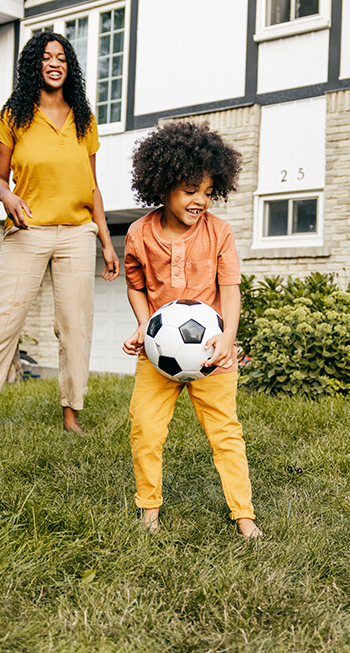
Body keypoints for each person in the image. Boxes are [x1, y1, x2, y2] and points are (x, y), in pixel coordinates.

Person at [0, 32, 119, 451]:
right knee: (3, 322)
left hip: (77, 234)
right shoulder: (14, 116)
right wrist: (7, 195)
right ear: (34, 66)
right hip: (28, 230)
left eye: (61, 57)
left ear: (68, 65)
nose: (54, 63)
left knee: (75, 327)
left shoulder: (83, 119)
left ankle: (71, 415)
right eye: (46, 57)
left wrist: (107, 243)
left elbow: (92, 187)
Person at [121, 122, 262, 539]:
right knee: (145, 429)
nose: (200, 200)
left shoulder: (219, 232)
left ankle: (244, 516)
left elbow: (230, 290)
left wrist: (228, 339)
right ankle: (149, 510)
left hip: (212, 354)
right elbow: (136, 286)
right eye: (189, 190)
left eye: (208, 192)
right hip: (158, 356)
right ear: (162, 185)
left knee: (226, 435)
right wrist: (145, 326)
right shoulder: (138, 234)